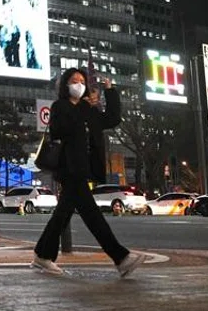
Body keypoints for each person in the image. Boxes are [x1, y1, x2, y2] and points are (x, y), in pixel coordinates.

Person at [32, 68, 144, 277]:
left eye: (82, 81)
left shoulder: (89, 111)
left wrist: (110, 91)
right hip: (69, 169)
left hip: (84, 169)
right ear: (66, 85)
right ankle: (121, 258)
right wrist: (82, 107)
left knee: (63, 215)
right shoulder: (61, 106)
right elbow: (60, 129)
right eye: (74, 81)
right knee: (91, 216)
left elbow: (112, 119)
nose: (79, 84)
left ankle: (42, 255)